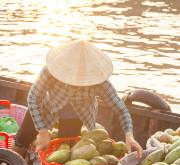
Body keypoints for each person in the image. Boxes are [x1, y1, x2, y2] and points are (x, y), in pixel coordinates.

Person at [12, 40, 143, 158]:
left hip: (75, 116)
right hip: (46, 107)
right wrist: (43, 131)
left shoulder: (99, 81)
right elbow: (33, 98)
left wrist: (129, 136)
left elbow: (120, 109)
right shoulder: (50, 71)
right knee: (22, 139)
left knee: (64, 151)